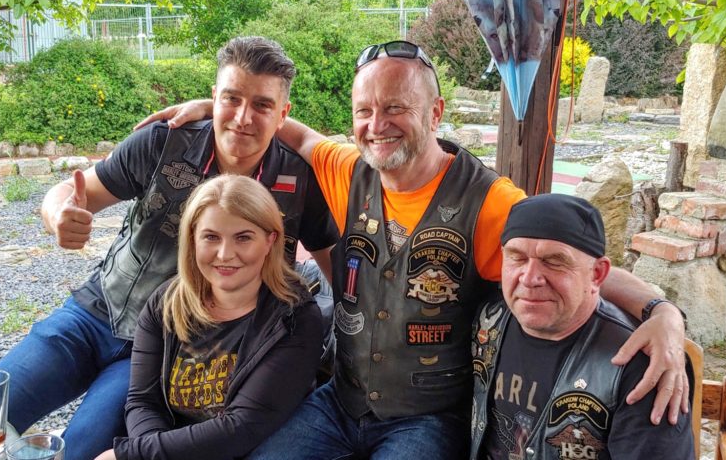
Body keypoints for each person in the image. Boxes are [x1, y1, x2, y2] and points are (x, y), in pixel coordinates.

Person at [144, 40, 688, 459]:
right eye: (363, 110)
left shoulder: (490, 201)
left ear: (435, 112)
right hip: (339, 402)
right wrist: (219, 108)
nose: (376, 126)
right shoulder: (346, 169)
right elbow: (296, 134)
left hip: (426, 419)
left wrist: (660, 310)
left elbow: (567, 261)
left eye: (395, 108)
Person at [0, 36, 338, 460]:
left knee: (82, 448)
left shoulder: (300, 179)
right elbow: (72, 192)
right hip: (95, 312)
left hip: (173, 345)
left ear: (283, 114)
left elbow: (339, 273)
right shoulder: (164, 143)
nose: (243, 117)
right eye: (230, 98)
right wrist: (58, 216)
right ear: (214, 96)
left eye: (262, 105)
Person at [93, 174, 324, 460]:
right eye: (211, 237)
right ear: (192, 239)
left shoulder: (295, 319)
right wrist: (150, 453)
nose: (225, 254)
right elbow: (143, 401)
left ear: (270, 240)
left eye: (243, 238)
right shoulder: (166, 304)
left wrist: (134, 455)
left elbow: (242, 428)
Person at [471, 194, 694, 459]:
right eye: (517, 258)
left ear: (597, 274)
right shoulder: (487, 320)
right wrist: (663, 310)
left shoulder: (642, 365)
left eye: (554, 261)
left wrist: (666, 313)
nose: (529, 278)